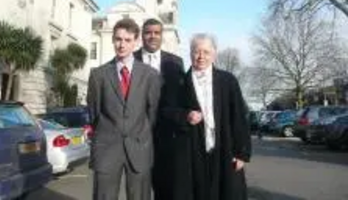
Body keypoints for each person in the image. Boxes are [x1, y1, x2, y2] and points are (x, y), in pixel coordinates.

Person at [86, 18, 161, 200]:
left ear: (136, 42)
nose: (122, 45)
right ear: (113, 40)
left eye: (127, 40)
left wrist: (139, 134)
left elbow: (152, 113)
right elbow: (94, 112)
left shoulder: (150, 75)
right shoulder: (98, 75)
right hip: (106, 149)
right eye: (118, 39)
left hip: (139, 148)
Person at [173, 33, 251, 200]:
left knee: (225, 193)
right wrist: (186, 115)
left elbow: (239, 117)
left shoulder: (228, 81)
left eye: (206, 52)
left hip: (224, 149)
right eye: (196, 51)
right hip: (192, 152)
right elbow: (169, 111)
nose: (201, 56)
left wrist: (242, 153)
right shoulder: (179, 83)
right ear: (190, 53)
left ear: (214, 54)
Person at [134, 18, 185, 200]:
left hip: (166, 137)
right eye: (148, 32)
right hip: (136, 137)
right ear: (142, 35)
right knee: (138, 189)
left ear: (162, 36)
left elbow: (182, 98)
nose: (152, 36)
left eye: (157, 32)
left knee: (165, 188)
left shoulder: (176, 63)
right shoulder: (130, 60)